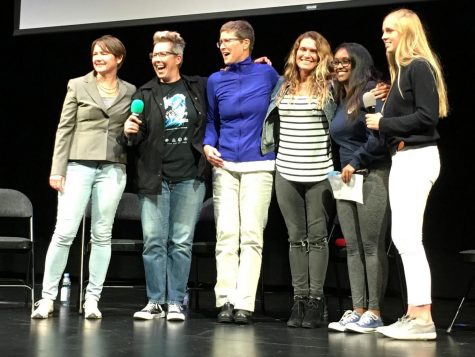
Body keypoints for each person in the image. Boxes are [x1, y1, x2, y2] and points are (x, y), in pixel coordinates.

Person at [31, 35, 136, 319]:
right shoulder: (77, 85)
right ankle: (47, 298)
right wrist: (57, 168)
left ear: (119, 59)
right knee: (64, 232)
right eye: (95, 53)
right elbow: (64, 128)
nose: (98, 58)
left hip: (113, 166)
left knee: (102, 235)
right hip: (78, 165)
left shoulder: (130, 91)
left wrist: (130, 131)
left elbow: (132, 135)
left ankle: (92, 299)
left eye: (104, 54)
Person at [365, 8, 448, 340]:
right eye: (383, 30)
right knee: (403, 239)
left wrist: (384, 122)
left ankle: (423, 319)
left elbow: (427, 118)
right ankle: (414, 313)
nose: (384, 36)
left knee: (409, 240)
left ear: (407, 33)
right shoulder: (401, 73)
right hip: (404, 158)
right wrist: (380, 111)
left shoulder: (418, 67)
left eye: (390, 30)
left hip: (417, 158)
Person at [121, 31, 208, 321]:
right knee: (154, 241)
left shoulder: (198, 87)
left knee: (181, 241)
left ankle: (175, 302)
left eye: (163, 55)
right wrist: (130, 132)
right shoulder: (144, 94)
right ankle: (155, 301)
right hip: (154, 178)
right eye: (154, 55)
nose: (157, 59)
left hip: (189, 176)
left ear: (178, 58)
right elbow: (136, 138)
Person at [203, 20, 279, 324]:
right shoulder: (214, 80)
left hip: (259, 164)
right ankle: (225, 300)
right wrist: (208, 145)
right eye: (219, 41)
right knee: (226, 234)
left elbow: (299, 89)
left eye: (227, 41)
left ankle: (244, 303)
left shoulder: (267, 73)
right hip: (224, 165)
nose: (222, 46)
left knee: (251, 235)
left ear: (246, 43)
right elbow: (212, 121)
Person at [261, 31, 336, 328]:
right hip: (287, 171)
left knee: (316, 239)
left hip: (319, 172)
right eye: (302, 49)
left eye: (313, 51)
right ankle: (299, 299)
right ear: (294, 53)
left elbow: (355, 98)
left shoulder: (329, 87)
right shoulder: (282, 85)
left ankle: (316, 301)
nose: (306, 54)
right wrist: (258, 65)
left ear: (321, 56)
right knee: (295, 239)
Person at [327, 42, 391, 333]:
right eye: (335, 63)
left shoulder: (372, 91)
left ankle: (375, 310)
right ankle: (358, 308)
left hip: (371, 173)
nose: (339, 66)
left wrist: (356, 161)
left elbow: (377, 137)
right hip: (345, 178)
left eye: (345, 62)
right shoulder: (341, 96)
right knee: (352, 248)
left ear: (358, 63)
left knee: (371, 245)